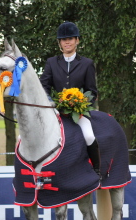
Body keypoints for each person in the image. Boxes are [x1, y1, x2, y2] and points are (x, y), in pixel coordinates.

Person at [40, 21, 101, 177]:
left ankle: (96, 170)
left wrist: (81, 105)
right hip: (56, 111)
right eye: (63, 39)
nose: (67, 42)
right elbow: (44, 86)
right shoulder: (51, 62)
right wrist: (49, 101)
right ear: (59, 42)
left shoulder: (87, 63)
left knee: (88, 135)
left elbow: (92, 91)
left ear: (77, 40)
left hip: (79, 112)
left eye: (70, 38)